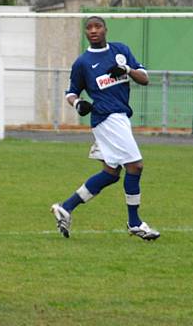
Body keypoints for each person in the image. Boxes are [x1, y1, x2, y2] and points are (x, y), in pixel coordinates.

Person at [50, 16, 160, 241]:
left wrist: (126, 69)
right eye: (89, 28)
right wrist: (78, 103)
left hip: (120, 118)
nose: (93, 30)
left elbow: (145, 78)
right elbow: (71, 92)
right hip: (107, 119)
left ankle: (66, 207)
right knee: (135, 167)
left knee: (111, 174)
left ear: (105, 29)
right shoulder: (83, 62)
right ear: (85, 33)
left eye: (97, 26)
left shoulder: (120, 50)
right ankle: (135, 222)